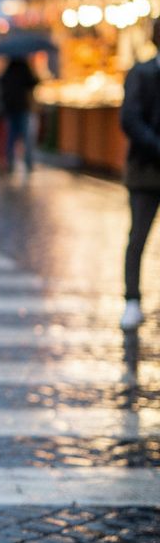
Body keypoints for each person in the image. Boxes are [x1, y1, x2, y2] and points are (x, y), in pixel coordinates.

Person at [120, 20, 160, 330]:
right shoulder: (142, 73)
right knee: (138, 238)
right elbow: (130, 119)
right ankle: (132, 300)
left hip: (146, 165)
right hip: (146, 170)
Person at [0, 56, 38, 174]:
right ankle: (28, 161)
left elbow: (3, 86)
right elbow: (33, 82)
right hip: (22, 107)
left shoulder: (7, 71)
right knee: (26, 136)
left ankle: (10, 160)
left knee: (12, 135)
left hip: (10, 108)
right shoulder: (24, 69)